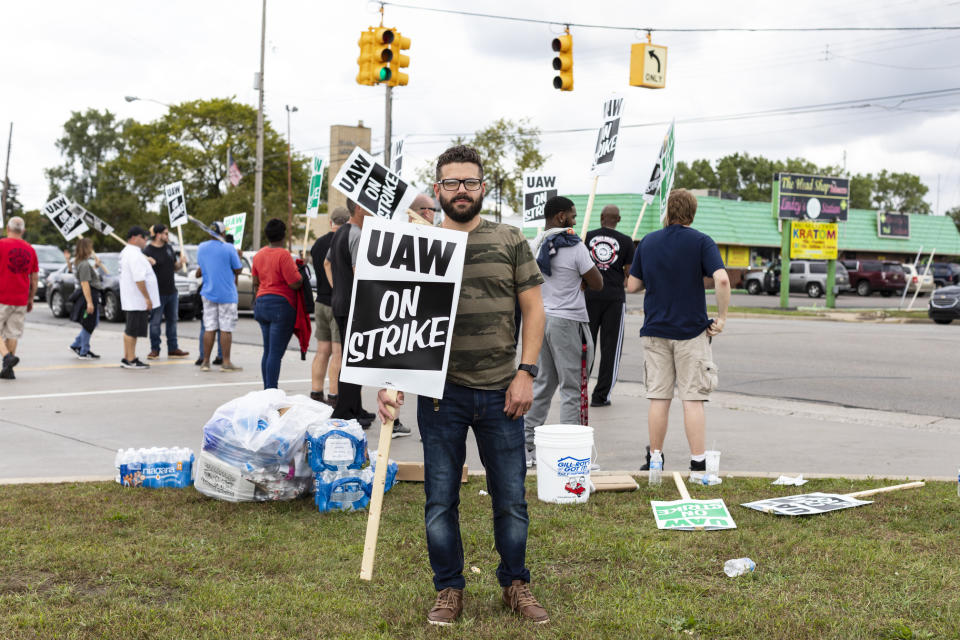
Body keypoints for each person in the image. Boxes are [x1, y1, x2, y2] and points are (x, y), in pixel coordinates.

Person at [378, 145, 549, 626]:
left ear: (483, 188)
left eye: (469, 182)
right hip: (439, 395)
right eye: (451, 183)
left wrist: (526, 372)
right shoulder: (418, 245)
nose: (460, 191)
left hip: (503, 392)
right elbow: (396, 318)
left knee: (511, 498)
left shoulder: (510, 240)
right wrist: (391, 381)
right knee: (439, 500)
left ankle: (516, 582)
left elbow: (535, 311)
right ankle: (449, 588)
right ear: (437, 190)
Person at [626, 189, 730, 472]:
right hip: (691, 332)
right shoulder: (701, 242)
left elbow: (632, 286)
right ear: (692, 213)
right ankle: (698, 465)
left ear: (668, 212)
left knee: (659, 398)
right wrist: (721, 317)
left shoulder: (648, 242)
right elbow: (721, 280)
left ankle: (656, 461)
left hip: (655, 330)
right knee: (692, 399)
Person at [524, 196, 602, 467]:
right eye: (572, 215)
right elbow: (598, 282)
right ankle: (573, 453)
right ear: (560, 217)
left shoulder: (536, 244)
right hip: (569, 322)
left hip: (541, 321)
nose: (576, 220)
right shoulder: (573, 244)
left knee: (543, 385)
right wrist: (581, 277)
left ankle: (526, 447)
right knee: (574, 387)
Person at [326, 199, 389, 431]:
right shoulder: (359, 235)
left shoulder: (341, 231)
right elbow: (360, 272)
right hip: (353, 304)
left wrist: (338, 289)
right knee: (355, 361)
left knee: (352, 357)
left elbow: (327, 263)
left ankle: (355, 408)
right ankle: (344, 412)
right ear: (360, 208)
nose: (374, 211)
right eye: (371, 207)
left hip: (340, 302)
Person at [585, 204, 634, 407]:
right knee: (611, 348)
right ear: (619, 220)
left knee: (585, 347)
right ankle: (601, 396)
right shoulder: (626, 241)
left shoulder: (586, 237)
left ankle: (579, 390)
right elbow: (630, 273)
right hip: (614, 298)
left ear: (601, 217)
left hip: (588, 296)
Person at [252, 218, 303, 389]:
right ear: (283, 235)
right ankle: (271, 391)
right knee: (275, 353)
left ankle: (267, 389)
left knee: (268, 351)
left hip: (262, 303)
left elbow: (255, 281)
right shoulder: (283, 255)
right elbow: (294, 282)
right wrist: (301, 275)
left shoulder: (259, 255)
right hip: (281, 305)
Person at [309, 208, 348, 407]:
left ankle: (316, 392)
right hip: (337, 303)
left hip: (320, 301)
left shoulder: (317, 244)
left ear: (331, 221)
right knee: (338, 352)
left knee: (322, 351)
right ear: (347, 221)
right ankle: (334, 396)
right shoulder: (344, 241)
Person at [196, 221, 242, 372]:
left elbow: (201, 268)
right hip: (227, 294)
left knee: (209, 327)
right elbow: (238, 269)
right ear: (222, 233)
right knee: (225, 329)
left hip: (208, 292)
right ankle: (226, 362)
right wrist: (238, 256)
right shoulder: (228, 248)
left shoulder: (202, 247)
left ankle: (205, 362)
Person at [142, 223, 190, 360]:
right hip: (157, 293)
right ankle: (155, 349)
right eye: (165, 233)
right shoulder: (148, 251)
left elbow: (174, 267)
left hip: (171, 292)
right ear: (158, 235)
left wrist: (181, 263)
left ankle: (173, 348)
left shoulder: (169, 248)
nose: (167, 236)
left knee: (172, 321)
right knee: (155, 322)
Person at [0, 216, 39, 379]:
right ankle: (8, 370)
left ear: (7, 229)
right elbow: (34, 277)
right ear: (23, 231)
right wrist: (31, 298)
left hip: (2, 295)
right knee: (13, 333)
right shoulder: (30, 249)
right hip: (21, 297)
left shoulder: (1, 245)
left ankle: (7, 357)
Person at [118, 226, 159, 370]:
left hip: (132, 298)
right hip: (136, 299)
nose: (146, 240)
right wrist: (147, 298)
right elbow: (139, 279)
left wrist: (146, 259)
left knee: (130, 330)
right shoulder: (134, 254)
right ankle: (131, 359)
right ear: (135, 238)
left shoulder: (131, 252)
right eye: (144, 237)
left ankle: (128, 357)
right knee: (132, 331)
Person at [69, 237, 105, 360]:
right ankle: (84, 350)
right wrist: (90, 302)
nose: (91, 249)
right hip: (89, 296)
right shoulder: (83, 264)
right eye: (90, 247)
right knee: (89, 323)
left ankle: (77, 345)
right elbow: (85, 283)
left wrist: (95, 266)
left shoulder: (81, 263)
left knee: (91, 323)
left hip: (89, 295)